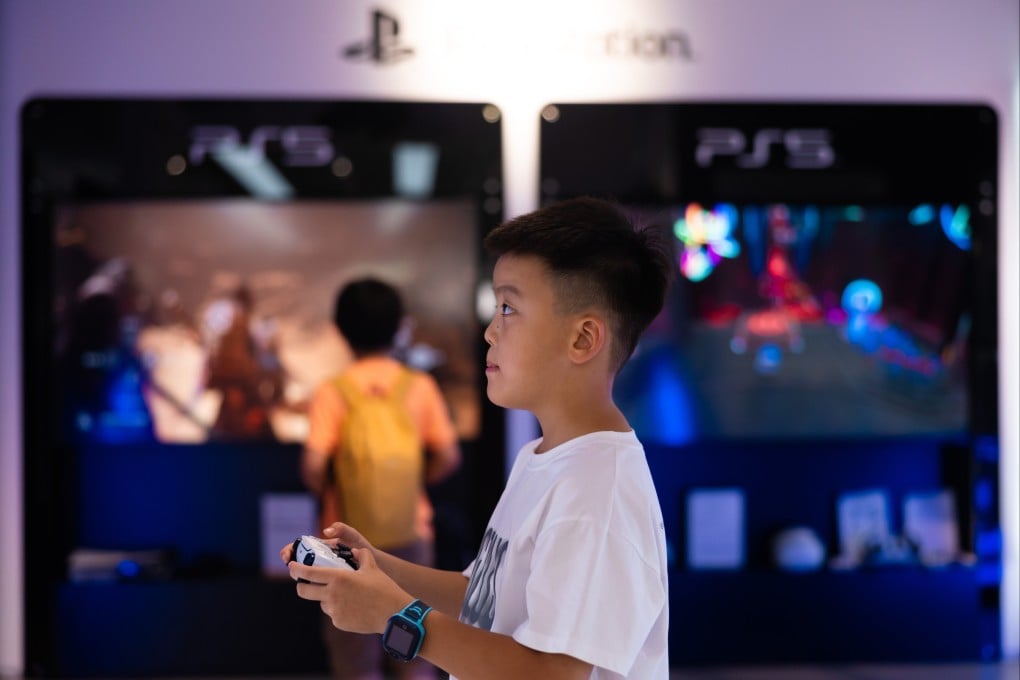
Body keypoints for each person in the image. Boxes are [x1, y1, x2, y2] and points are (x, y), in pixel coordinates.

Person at [283, 197, 674, 680]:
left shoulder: (597, 493)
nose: (489, 332)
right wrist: (375, 565)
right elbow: (485, 596)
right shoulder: (543, 456)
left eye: (508, 308)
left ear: (582, 339)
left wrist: (396, 616)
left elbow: (552, 674)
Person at [300, 277, 462, 680]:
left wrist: (336, 488)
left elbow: (313, 469)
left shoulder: (333, 391)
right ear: (398, 326)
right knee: (417, 647)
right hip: (411, 534)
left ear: (341, 329)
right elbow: (448, 456)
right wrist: (412, 481)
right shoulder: (419, 386)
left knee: (354, 654)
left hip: (346, 538)